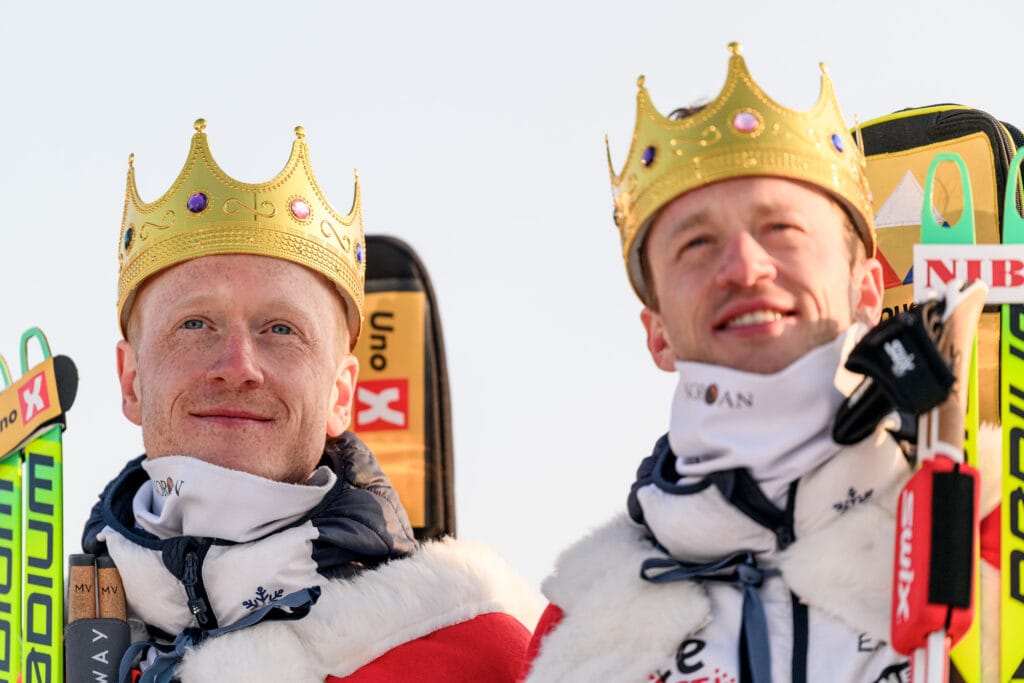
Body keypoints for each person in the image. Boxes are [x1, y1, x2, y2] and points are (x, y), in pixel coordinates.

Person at [521, 43, 1000, 682]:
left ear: (866, 289)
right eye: (696, 242)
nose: (745, 267)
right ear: (656, 332)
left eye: (782, 229)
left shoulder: (993, 531)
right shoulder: (584, 621)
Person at [81, 119, 540, 682]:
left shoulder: (478, 653)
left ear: (340, 394)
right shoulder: (33, 646)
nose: (238, 368)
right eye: (195, 323)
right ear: (130, 380)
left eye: (280, 329)